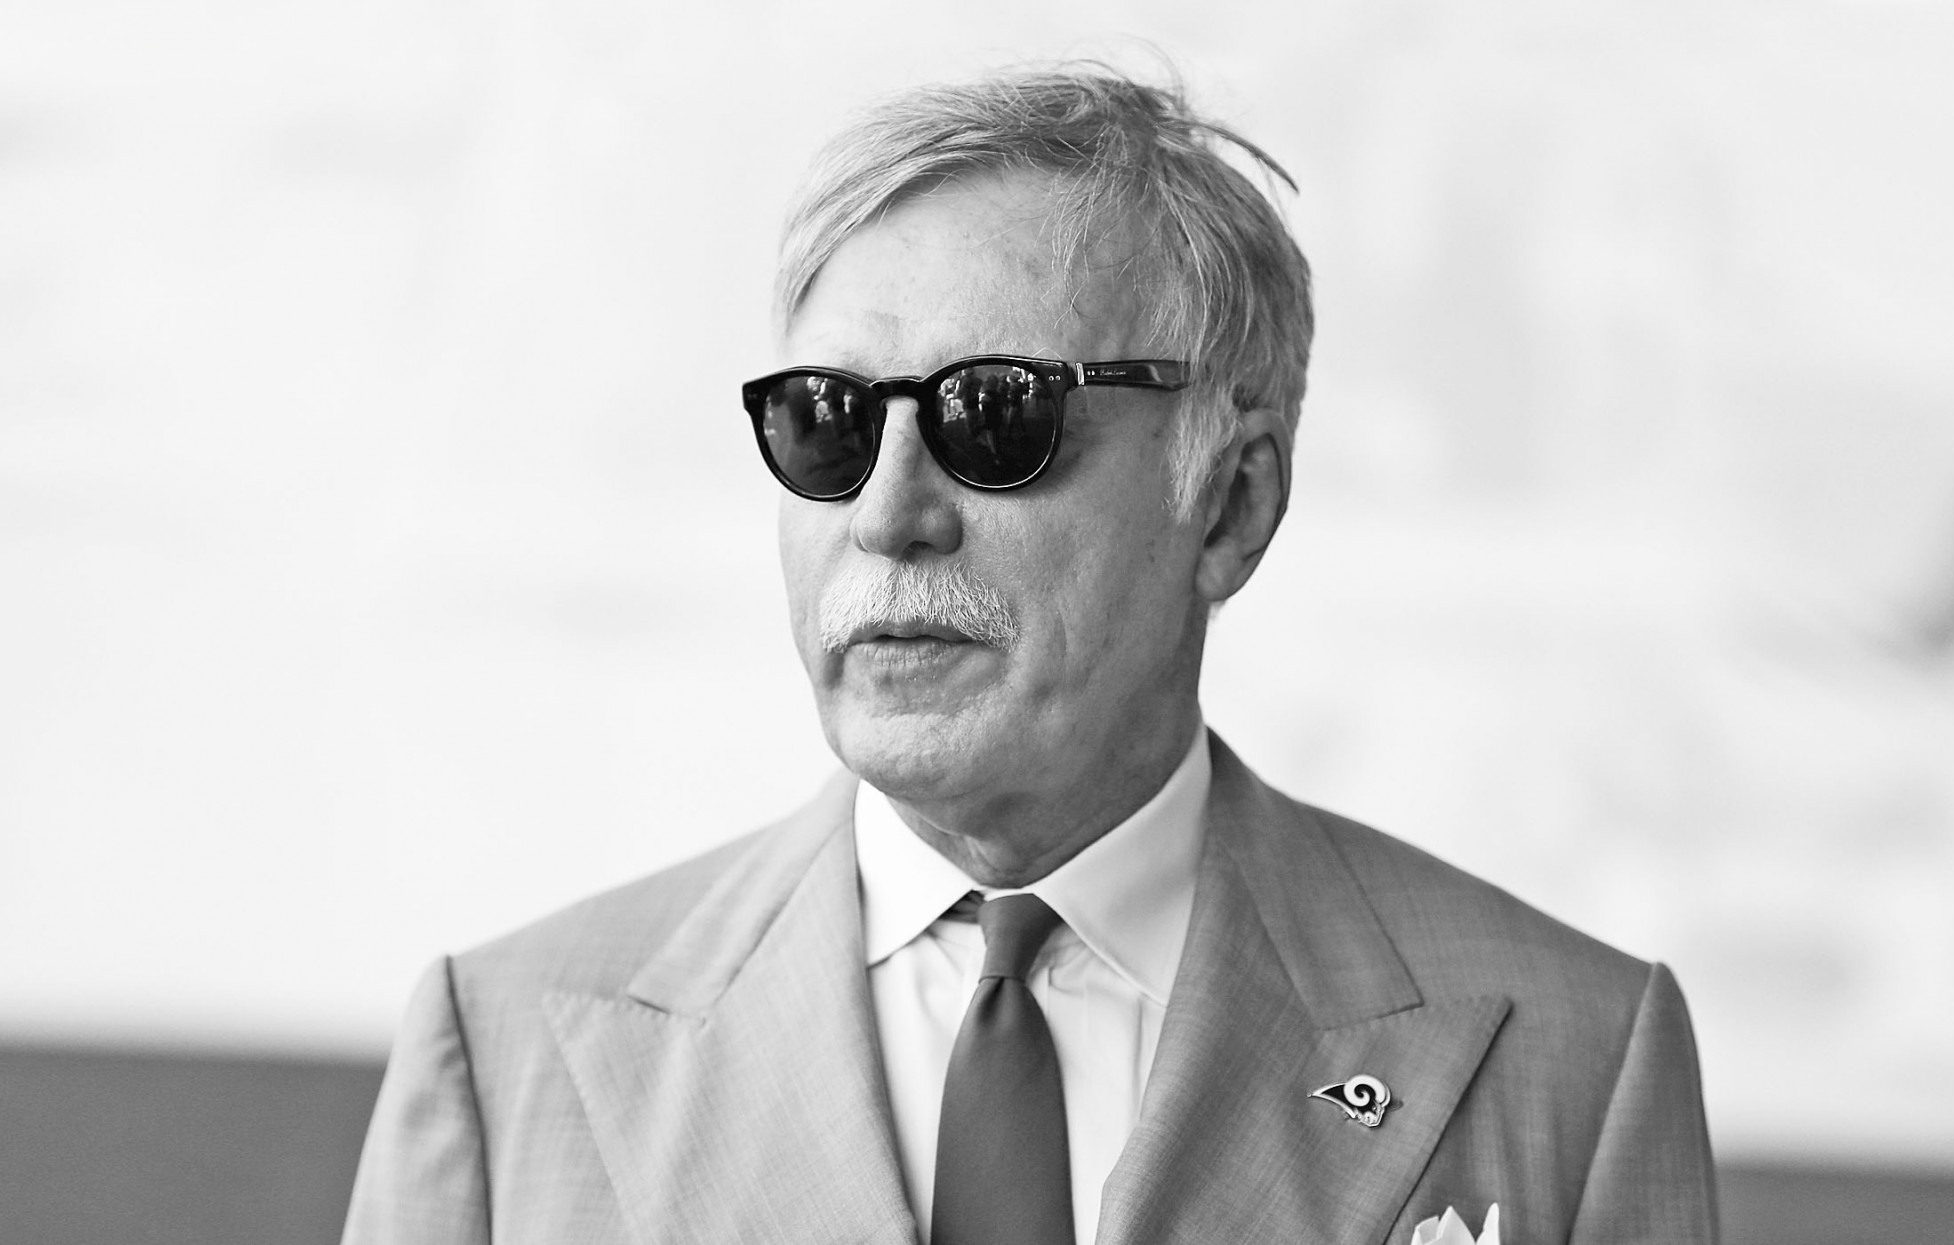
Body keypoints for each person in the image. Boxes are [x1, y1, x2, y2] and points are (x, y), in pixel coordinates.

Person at [342, 64, 1717, 1245]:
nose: (887, 513)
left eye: (993, 417)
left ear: (1229, 505)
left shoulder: (1574, 1056)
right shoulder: (504, 1057)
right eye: (827, 421)